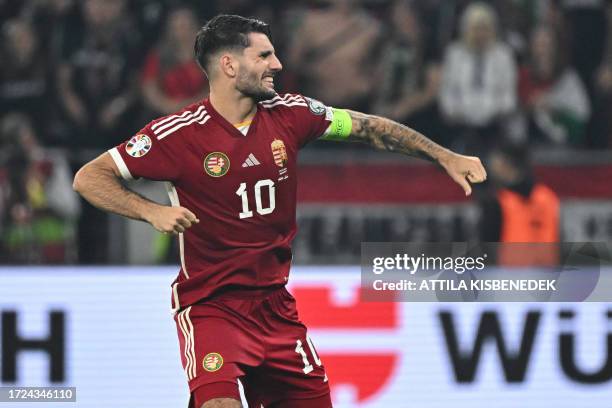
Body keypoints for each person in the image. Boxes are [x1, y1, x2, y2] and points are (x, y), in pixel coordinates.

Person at [72, 14, 486, 408]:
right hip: (212, 307)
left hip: (276, 309)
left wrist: (443, 155)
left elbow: (369, 129)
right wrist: (150, 211)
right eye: (264, 56)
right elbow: (90, 177)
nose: (278, 64)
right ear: (230, 65)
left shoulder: (293, 114)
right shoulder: (177, 134)